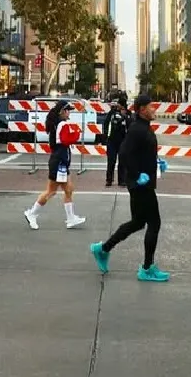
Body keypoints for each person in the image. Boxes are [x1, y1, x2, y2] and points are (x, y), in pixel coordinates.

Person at [91, 94, 167, 281]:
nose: (154, 110)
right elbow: (123, 154)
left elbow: (141, 151)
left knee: (138, 222)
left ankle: (103, 249)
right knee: (154, 223)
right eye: (151, 107)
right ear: (142, 109)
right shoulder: (137, 129)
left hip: (143, 182)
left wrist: (157, 162)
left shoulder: (143, 128)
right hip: (141, 185)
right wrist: (135, 174)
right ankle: (146, 268)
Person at [24, 100, 85, 231]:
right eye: (68, 110)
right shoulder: (62, 124)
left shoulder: (58, 124)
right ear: (62, 111)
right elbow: (66, 140)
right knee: (51, 191)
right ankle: (32, 213)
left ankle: (71, 218)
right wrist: (77, 133)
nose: (69, 113)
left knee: (68, 189)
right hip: (59, 162)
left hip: (60, 162)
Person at [101, 93, 130, 188]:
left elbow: (131, 125)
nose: (119, 107)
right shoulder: (112, 112)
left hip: (123, 141)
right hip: (112, 141)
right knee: (111, 161)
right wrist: (105, 136)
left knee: (122, 162)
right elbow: (106, 123)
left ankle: (122, 180)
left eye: (121, 105)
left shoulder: (128, 114)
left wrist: (125, 116)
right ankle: (109, 180)